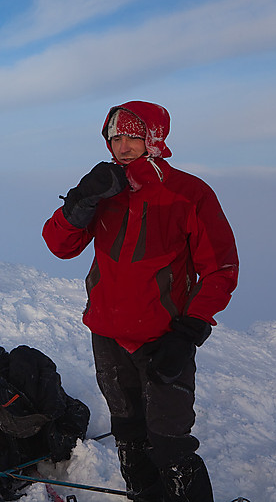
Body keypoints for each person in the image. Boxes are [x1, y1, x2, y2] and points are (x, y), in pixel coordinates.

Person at [41, 101, 238, 502]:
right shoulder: (103, 191)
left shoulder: (189, 193)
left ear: (154, 137)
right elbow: (59, 246)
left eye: (132, 135)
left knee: (169, 443)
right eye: (115, 137)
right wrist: (79, 201)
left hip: (163, 338)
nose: (123, 146)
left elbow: (220, 268)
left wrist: (190, 331)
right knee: (129, 436)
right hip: (108, 336)